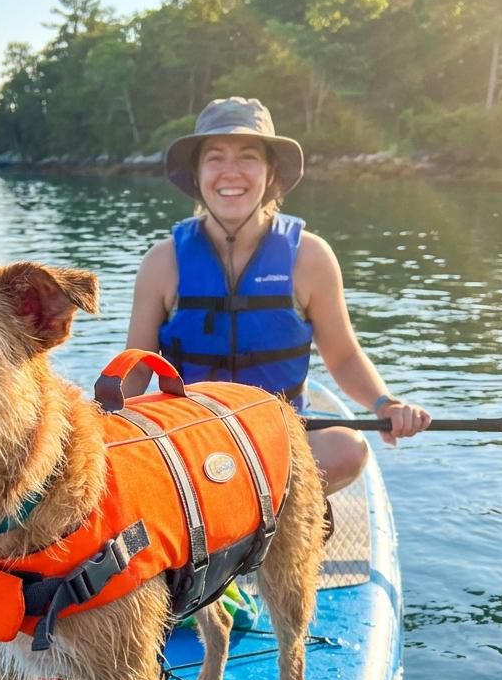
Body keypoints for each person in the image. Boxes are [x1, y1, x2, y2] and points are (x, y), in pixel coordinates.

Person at [125, 97, 430, 496]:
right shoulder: (162, 262)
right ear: (197, 175)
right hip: (190, 440)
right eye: (215, 158)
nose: (231, 172)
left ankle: (259, 501)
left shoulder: (310, 257)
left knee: (348, 449)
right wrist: (99, 422)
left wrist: (385, 404)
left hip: (280, 439)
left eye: (247, 157)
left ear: (270, 174)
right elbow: (136, 369)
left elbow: (343, 356)